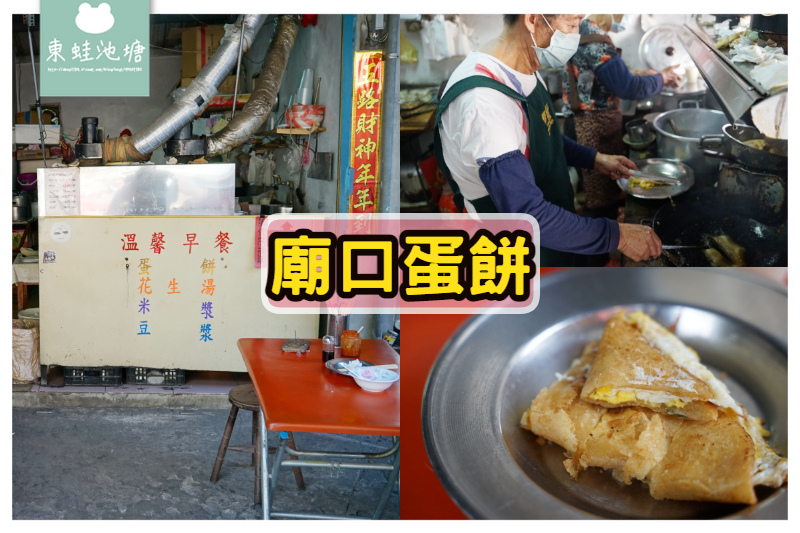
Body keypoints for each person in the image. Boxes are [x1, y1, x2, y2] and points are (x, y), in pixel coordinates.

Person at [434, 14, 661, 266]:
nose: (576, 37)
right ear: (532, 19)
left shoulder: (524, 66)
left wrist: (594, 159)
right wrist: (617, 236)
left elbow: (544, 134)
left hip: (552, 226)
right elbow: (528, 216)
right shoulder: (484, 106)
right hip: (518, 249)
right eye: (572, 24)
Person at [563, 17, 681, 216]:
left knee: (601, 192)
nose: (623, 17)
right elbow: (627, 86)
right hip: (591, 128)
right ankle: (604, 240)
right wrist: (662, 78)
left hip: (588, 124)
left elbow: (603, 75)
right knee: (600, 200)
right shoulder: (595, 38)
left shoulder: (585, 30)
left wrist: (649, 74)